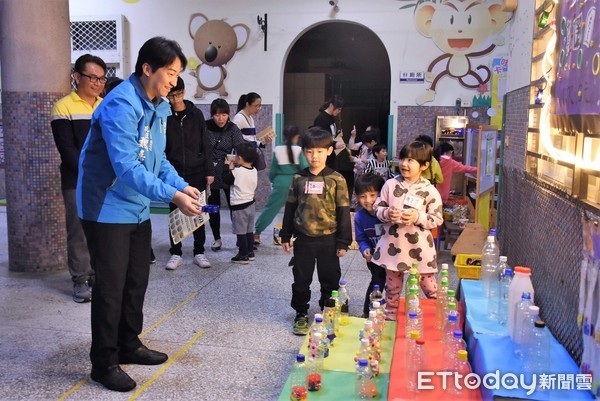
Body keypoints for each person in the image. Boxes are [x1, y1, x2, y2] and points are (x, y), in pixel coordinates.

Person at [77, 37, 202, 392]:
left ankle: (129, 344)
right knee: (111, 288)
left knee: (136, 282)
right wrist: (173, 196)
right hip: (106, 208)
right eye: (170, 73)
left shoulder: (158, 106)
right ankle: (103, 362)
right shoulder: (121, 104)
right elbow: (128, 167)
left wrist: (182, 185)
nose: (174, 82)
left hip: (136, 207)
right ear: (147, 68)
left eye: (178, 75)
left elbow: (158, 160)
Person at [280, 127, 352, 336]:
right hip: (303, 239)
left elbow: (343, 210)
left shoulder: (337, 179)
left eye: (320, 151)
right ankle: (301, 313)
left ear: (329, 151)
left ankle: (328, 310)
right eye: (310, 151)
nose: (315, 156)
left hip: (329, 239)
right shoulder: (298, 178)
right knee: (301, 278)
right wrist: (286, 235)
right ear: (304, 152)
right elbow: (291, 207)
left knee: (330, 278)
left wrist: (343, 241)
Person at [51, 53, 107, 303]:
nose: (97, 83)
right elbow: (68, 150)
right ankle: (81, 279)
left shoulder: (105, 105)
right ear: (77, 77)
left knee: (103, 229)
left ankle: (98, 274)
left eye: (101, 78)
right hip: (76, 181)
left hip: (106, 181)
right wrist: (92, 173)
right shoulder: (63, 107)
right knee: (79, 231)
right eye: (91, 77)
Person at [371, 140, 443, 321]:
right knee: (393, 286)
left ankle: (441, 314)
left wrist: (417, 217)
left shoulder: (430, 190)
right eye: (403, 159)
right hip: (393, 246)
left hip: (419, 249)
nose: (404, 164)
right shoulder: (390, 185)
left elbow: (437, 219)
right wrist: (387, 213)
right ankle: (391, 315)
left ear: (424, 165)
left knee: (429, 285)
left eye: (411, 160)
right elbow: (377, 208)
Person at [164, 77, 215, 270]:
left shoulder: (196, 115)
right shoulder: (165, 114)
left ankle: (199, 251)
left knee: (197, 212)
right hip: (173, 172)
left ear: (184, 92)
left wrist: (209, 170)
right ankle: (175, 252)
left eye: (178, 94)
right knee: (174, 212)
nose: (175, 99)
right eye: (171, 95)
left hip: (197, 171)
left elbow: (205, 143)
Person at [253, 124, 308, 245]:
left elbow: (272, 171)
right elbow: (305, 167)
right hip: (296, 182)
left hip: (280, 183)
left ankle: (257, 233)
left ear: (283, 136)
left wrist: (275, 181)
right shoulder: (298, 150)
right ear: (297, 137)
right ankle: (299, 235)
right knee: (299, 210)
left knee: (270, 209)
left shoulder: (277, 149)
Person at [205, 98, 245, 251]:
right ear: (212, 115)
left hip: (228, 171)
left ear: (229, 114)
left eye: (224, 115)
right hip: (210, 171)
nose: (220, 118)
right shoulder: (205, 127)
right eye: (216, 115)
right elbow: (201, 148)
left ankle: (239, 237)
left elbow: (240, 148)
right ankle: (217, 239)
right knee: (213, 207)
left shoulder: (233, 128)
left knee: (233, 205)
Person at [353, 173, 387, 318]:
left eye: (373, 195)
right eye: (363, 196)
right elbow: (361, 238)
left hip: (393, 256)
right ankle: (368, 312)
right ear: (356, 196)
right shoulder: (359, 217)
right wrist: (364, 249)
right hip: (374, 257)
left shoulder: (387, 213)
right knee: (377, 282)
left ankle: (390, 310)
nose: (368, 201)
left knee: (392, 285)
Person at [222, 142, 259, 263]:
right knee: (249, 230)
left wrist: (229, 167)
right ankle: (250, 252)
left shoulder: (237, 172)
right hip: (251, 204)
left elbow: (226, 179)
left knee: (240, 232)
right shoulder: (254, 170)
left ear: (240, 158)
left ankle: (243, 255)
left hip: (239, 206)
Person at [312, 95, 355, 198]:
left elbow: (331, 135)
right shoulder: (321, 119)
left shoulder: (331, 119)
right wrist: (335, 144)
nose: (339, 112)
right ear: (331, 106)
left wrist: (338, 137)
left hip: (331, 156)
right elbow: (321, 138)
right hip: (324, 157)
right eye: (338, 109)